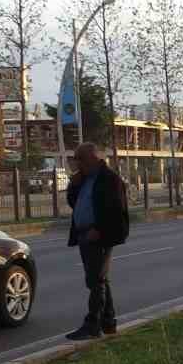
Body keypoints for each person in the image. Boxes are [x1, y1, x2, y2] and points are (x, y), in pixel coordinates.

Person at [65, 142, 131, 340]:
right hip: (85, 233)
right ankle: (109, 322)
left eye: (80, 159)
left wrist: (100, 230)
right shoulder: (85, 178)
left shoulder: (109, 179)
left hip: (100, 236)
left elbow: (115, 211)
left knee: (96, 280)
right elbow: (73, 202)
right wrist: (73, 184)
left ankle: (92, 323)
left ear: (92, 158)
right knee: (98, 278)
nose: (77, 164)